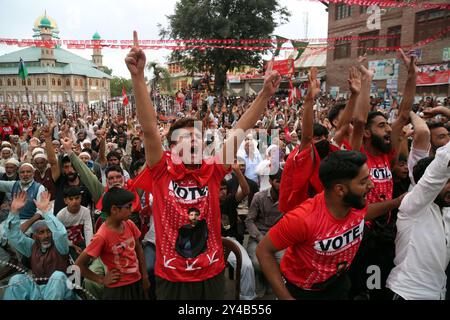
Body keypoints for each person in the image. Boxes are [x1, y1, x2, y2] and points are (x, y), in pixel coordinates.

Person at [126, 30, 281, 299]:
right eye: (186, 138)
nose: (194, 141)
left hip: (211, 274)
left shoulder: (212, 169)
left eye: (197, 136)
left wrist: (264, 96)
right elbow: (150, 130)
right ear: (172, 149)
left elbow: (241, 130)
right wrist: (138, 78)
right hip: (171, 276)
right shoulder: (161, 170)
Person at [256, 150, 404, 300]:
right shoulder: (302, 219)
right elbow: (263, 251)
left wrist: (396, 202)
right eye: (363, 181)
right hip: (304, 292)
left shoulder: (355, 203)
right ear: (340, 189)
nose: (371, 185)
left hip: (338, 285)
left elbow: (364, 213)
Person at [386, 141, 450, 300]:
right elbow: (439, 169)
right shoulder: (412, 206)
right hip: (408, 294)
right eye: (447, 182)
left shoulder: (445, 210)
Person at [75, 187, 149, 300]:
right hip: (117, 290)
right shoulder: (102, 236)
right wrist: (101, 279)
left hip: (136, 283)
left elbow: (139, 249)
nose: (132, 209)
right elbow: (78, 265)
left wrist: (144, 276)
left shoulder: (129, 224)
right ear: (114, 209)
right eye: (128, 207)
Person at [3, 191, 76, 300]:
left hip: (62, 291)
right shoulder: (32, 246)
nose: (46, 235)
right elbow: (14, 236)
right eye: (41, 232)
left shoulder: (60, 246)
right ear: (35, 235)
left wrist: (45, 212)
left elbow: (61, 234)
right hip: (39, 291)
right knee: (16, 279)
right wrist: (14, 212)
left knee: (57, 277)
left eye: (48, 231)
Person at [245, 169, 283, 297]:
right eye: (278, 181)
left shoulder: (287, 199)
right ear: (271, 181)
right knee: (256, 263)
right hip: (258, 237)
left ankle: (268, 281)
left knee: (283, 261)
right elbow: (249, 221)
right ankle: (264, 280)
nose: (281, 185)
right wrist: (260, 237)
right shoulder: (259, 197)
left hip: (277, 238)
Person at [56, 186, 94, 260]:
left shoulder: (85, 211)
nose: (74, 201)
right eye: (71, 199)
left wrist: (89, 251)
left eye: (77, 198)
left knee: (89, 257)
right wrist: (73, 246)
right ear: (65, 201)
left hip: (80, 241)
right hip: (66, 244)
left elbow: (88, 231)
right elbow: (59, 237)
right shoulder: (60, 215)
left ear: (81, 198)